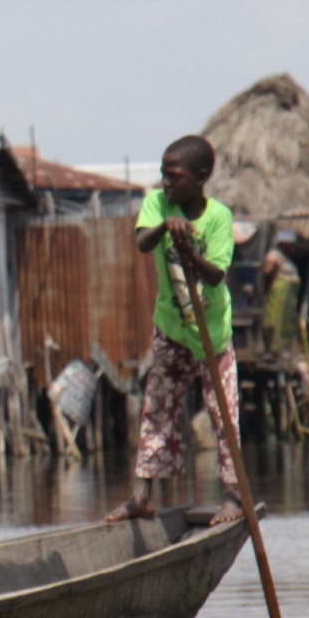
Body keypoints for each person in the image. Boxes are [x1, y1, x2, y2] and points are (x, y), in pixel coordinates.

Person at [106, 135, 244, 527]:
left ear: (201, 177)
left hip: (211, 335)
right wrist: (167, 225)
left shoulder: (219, 217)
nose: (166, 183)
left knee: (224, 414)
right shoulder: (158, 203)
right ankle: (142, 495)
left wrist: (190, 254)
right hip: (171, 329)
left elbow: (216, 275)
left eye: (175, 176)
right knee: (158, 409)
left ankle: (233, 496)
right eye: (163, 175)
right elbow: (142, 242)